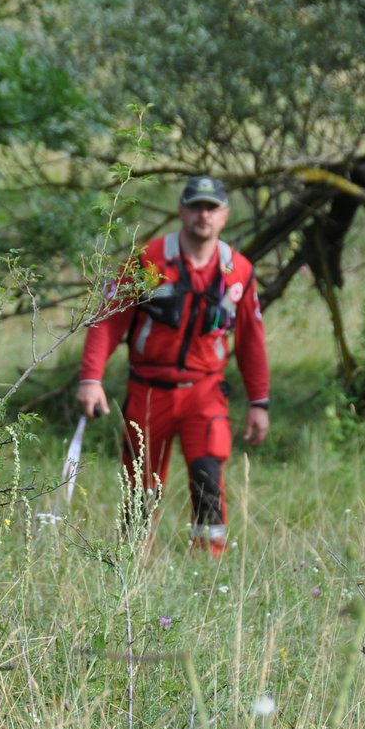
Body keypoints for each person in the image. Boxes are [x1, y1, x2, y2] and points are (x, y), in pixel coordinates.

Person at [76, 175, 270, 555]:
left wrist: (259, 402)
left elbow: (251, 341)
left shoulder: (239, 272)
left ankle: (208, 564)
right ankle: (134, 563)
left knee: (208, 476)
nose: (203, 215)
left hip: (205, 393)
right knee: (140, 486)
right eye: (196, 206)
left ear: (225, 215)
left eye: (211, 208)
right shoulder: (147, 260)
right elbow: (108, 321)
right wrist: (91, 378)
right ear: (181, 210)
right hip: (148, 391)